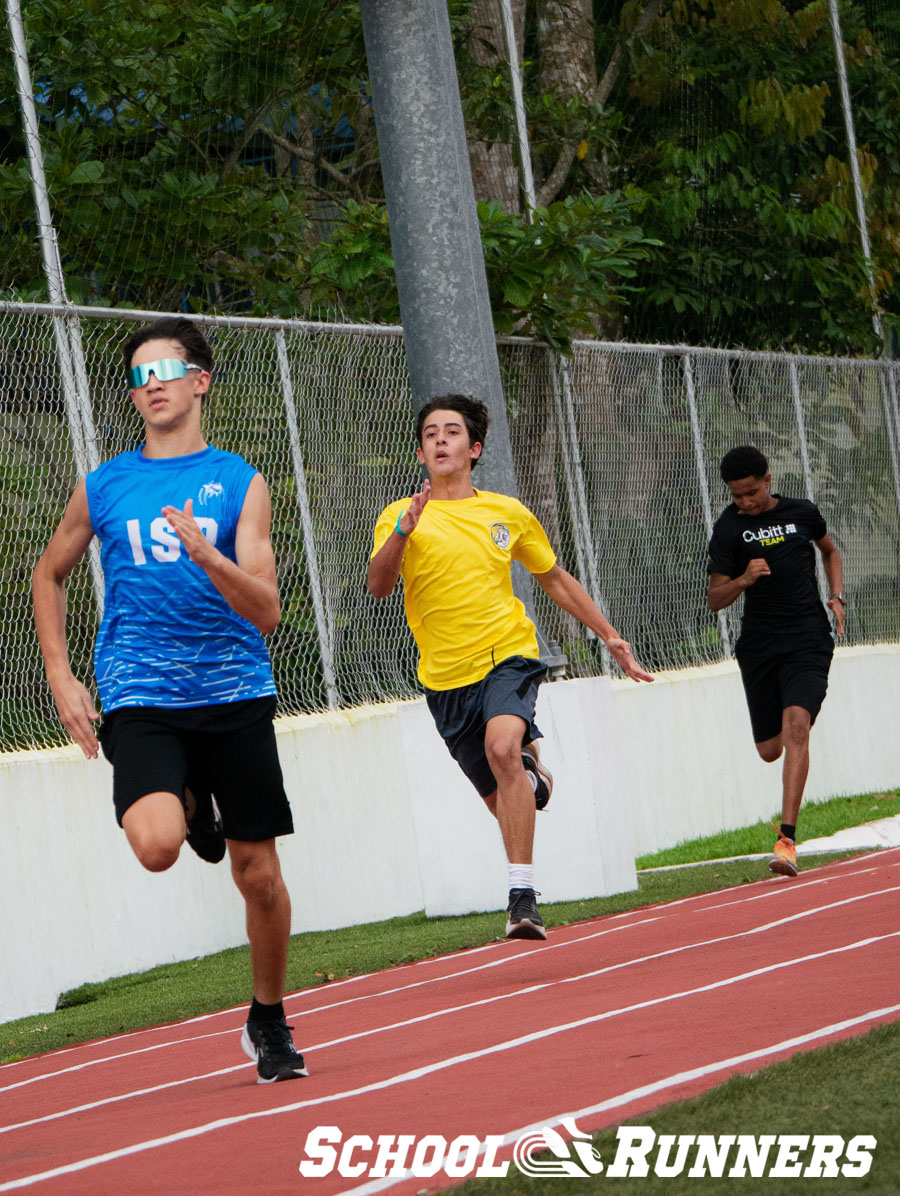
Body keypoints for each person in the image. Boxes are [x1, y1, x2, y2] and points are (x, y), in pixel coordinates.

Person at [32, 317, 307, 1084]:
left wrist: (210, 555)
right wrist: (60, 673)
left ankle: (270, 1017)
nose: (153, 382)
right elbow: (48, 573)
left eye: (168, 367)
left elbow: (268, 610)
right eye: (141, 374)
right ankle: (186, 801)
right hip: (140, 690)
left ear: (200, 381)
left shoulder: (240, 480)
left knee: (257, 875)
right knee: (155, 845)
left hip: (234, 689)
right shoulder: (106, 483)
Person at [367, 394, 653, 940]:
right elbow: (378, 587)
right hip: (445, 681)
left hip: (508, 653)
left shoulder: (507, 513)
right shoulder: (399, 516)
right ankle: (531, 772)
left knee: (501, 747)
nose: (440, 440)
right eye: (430, 433)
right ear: (422, 450)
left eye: (451, 432)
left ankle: (522, 898)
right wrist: (404, 529)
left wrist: (610, 636)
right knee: (506, 797)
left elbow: (554, 578)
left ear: (473, 449)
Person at [707, 445, 845, 877]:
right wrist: (745, 578)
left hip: (808, 637)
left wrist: (836, 595)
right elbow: (714, 599)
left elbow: (830, 550)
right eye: (736, 496)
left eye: (751, 493)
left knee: (797, 727)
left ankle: (787, 840)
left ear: (767, 481)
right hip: (760, 646)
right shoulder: (729, 529)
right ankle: (787, 743)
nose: (745, 502)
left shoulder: (803, 512)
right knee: (770, 749)